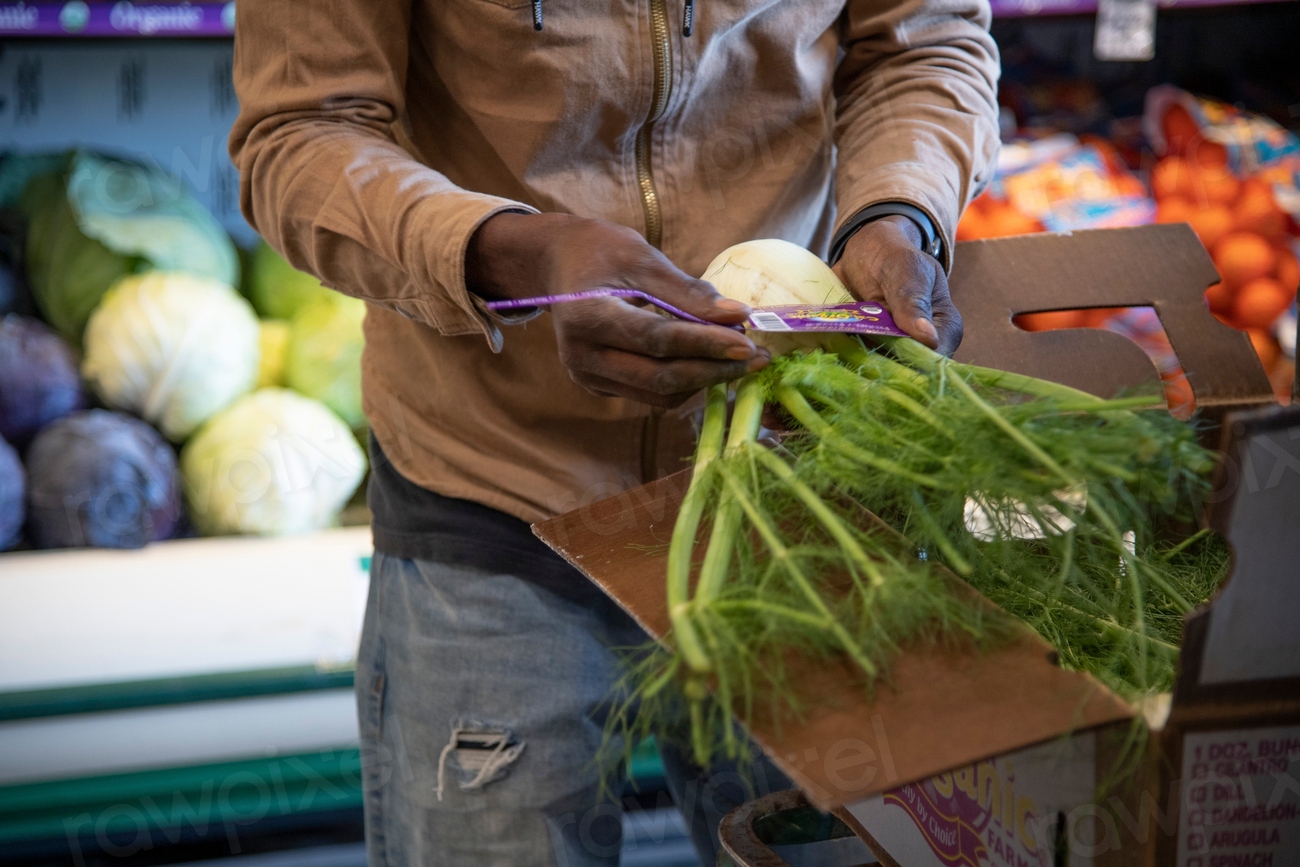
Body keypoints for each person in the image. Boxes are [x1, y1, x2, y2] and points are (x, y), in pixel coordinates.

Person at [231, 1, 999, 863]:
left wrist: (897, 213)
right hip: (496, 488)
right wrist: (514, 256)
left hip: (787, 491)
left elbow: (924, 48)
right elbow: (302, 132)